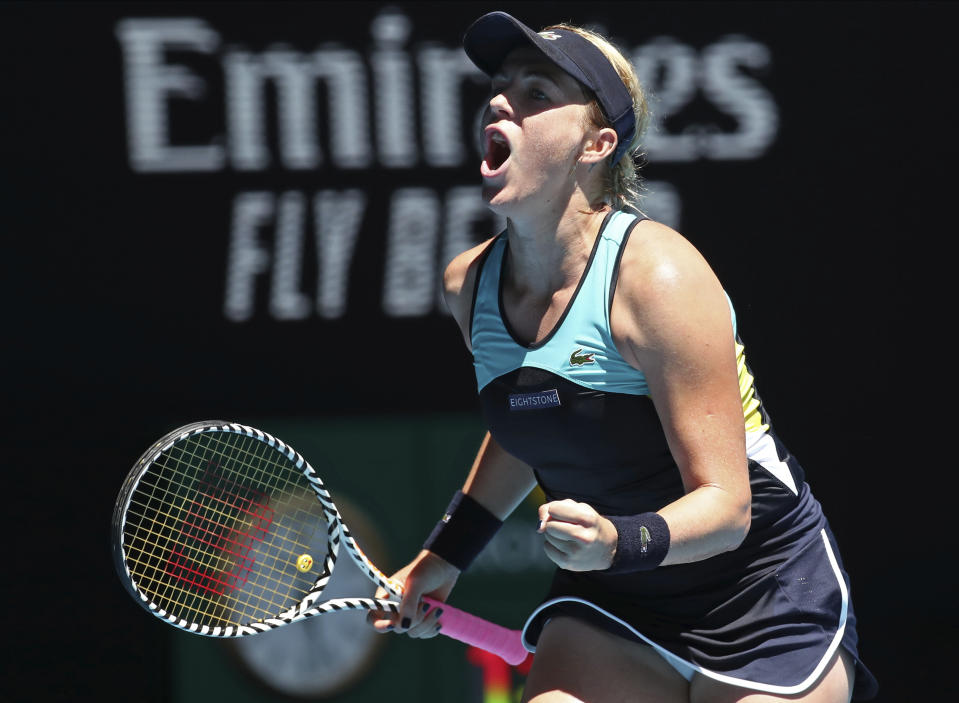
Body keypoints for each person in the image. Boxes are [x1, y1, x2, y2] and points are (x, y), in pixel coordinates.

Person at [367, 11, 878, 702]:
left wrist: (614, 540)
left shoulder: (657, 278)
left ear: (596, 143)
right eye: (498, 86)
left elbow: (726, 509)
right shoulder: (470, 286)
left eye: (536, 93)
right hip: (617, 605)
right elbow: (533, 421)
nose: (498, 100)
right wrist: (442, 557)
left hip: (761, 594)